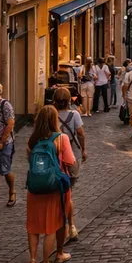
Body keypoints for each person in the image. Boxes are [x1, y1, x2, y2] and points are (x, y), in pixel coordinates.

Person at [25, 105, 74, 263]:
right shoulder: (61, 138)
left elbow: (30, 161)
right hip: (54, 186)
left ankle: (33, 260)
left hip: (34, 187)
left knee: (33, 226)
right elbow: (70, 161)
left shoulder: (32, 140)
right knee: (52, 225)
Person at [52, 87, 85, 241]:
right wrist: (83, 150)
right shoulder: (74, 114)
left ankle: (58, 223)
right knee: (68, 192)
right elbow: (80, 134)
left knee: (57, 193)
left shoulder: (50, 114)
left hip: (54, 157)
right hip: (72, 156)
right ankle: (71, 226)